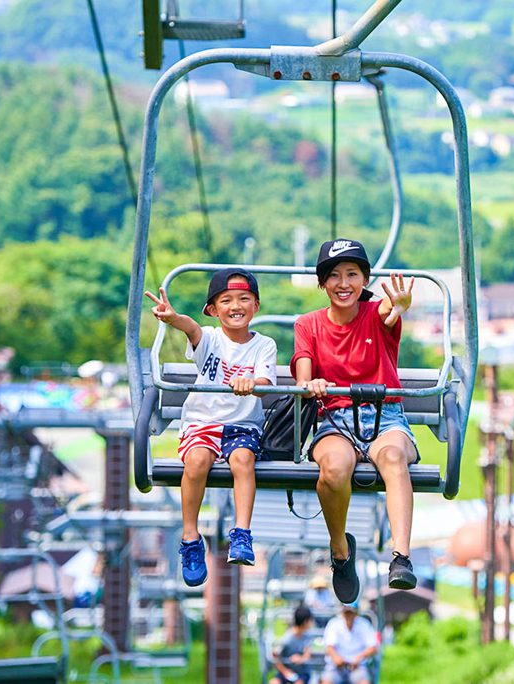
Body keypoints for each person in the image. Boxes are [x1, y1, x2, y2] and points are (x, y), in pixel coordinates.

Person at [292, 238, 418, 603]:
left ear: (364, 280)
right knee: (334, 467)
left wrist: (399, 307)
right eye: (334, 276)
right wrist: (310, 383)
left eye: (352, 274)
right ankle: (340, 550)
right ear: (322, 283)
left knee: (392, 458)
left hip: (385, 414)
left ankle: (401, 557)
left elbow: (388, 314)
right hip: (335, 418)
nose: (343, 283)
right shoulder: (308, 325)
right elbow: (303, 374)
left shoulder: (375, 314)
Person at [145, 268, 277, 586]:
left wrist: (251, 383)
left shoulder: (264, 345)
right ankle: (191, 537)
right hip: (203, 421)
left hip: (242, 424)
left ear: (256, 305)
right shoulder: (211, 339)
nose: (236, 306)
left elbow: (264, 381)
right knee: (197, 462)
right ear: (213, 310)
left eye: (244, 299)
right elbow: (191, 329)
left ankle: (242, 533)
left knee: (243, 460)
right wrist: (173, 319)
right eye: (227, 300)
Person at [321, 601, 378, 684]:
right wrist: (336, 658)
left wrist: (359, 657)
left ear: (356, 614)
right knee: (327, 681)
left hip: (358, 667)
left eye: (351, 613)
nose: (348, 616)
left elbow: (373, 647)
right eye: (346, 613)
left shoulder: (364, 624)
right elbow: (329, 647)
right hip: (335, 668)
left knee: (364, 682)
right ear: (342, 613)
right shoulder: (334, 623)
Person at [269, 604, 314, 684]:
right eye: (310, 620)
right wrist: (285, 671)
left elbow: (307, 655)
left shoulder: (307, 636)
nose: (312, 623)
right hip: (286, 672)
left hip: (302, 673)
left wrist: (301, 659)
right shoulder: (287, 638)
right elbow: (275, 656)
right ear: (305, 622)